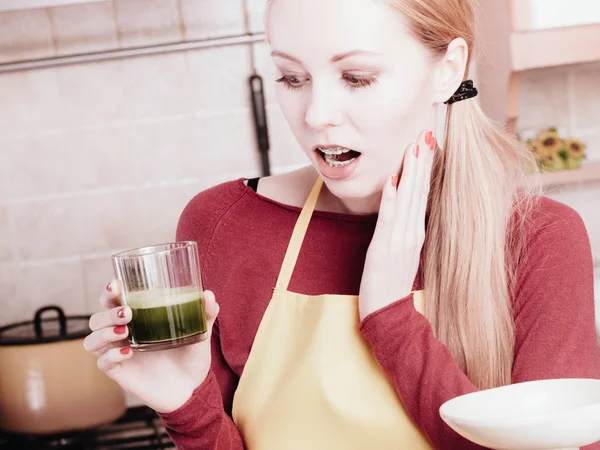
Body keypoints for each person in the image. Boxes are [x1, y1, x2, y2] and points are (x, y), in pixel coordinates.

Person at [83, 0, 600, 448]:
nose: (316, 114)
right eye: (292, 78)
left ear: (448, 69)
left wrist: (391, 317)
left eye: (356, 77)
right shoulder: (224, 224)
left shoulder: (538, 238)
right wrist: (184, 405)